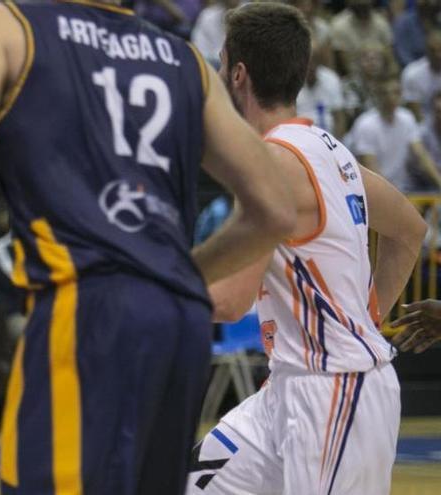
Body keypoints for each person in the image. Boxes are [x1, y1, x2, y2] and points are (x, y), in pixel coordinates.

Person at [0, 1, 296, 493]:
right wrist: (184, 274)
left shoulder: (11, 25)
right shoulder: (185, 59)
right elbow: (276, 210)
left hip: (84, 308)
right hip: (180, 323)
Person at [185, 4, 426, 494]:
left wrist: (137, 283)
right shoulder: (328, 148)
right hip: (287, 385)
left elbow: (230, 302)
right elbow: (410, 231)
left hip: (335, 389)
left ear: (237, 74)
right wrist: (364, 317)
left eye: (219, 63)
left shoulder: (270, 164)